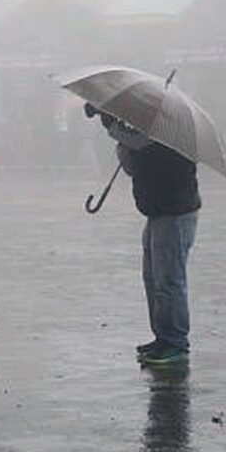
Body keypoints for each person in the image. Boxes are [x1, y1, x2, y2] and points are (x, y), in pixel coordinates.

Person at [86, 103, 200, 366]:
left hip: (174, 215)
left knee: (170, 281)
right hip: (157, 213)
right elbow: (132, 164)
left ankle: (175, 342)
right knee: (154, 279)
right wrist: (118, 135)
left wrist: (112, 126)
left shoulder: (171, 140)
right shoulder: (148, 138)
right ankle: (162, 337)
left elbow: (140, 150)